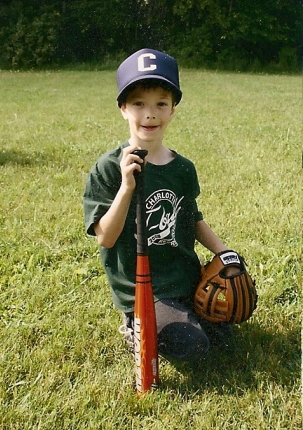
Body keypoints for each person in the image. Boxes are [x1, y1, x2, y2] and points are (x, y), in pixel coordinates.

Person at [83, 48, 236, 361]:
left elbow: (192, 218)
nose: (149, 113)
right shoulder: (109, 167)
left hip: (185, 277)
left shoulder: (183, 168)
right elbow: (105, 237)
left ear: (172, 111)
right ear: (123, 108)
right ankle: (134, 323)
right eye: (138, 103)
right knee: (193, 347)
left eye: (160, 104)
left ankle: (175, 318)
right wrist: (127, 187)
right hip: (144, 289)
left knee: (227, 331)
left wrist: (225, 253)